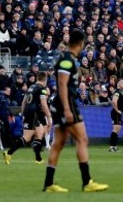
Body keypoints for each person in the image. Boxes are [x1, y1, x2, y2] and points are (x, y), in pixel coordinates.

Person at [43, 30, 108, 193]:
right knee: (82, 139)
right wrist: (67, 108)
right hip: (66, 103)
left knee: (58, 143)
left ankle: (49, 183)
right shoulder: (67, 60)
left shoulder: (67, 59)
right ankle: (87, 182)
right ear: (81, 43)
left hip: (61, 103)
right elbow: (62, 84)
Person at [4, 72, 51, 164]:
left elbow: (24, 102)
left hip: (28, 113)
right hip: (34, 114)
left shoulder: (31, 87)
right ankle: (8, 153)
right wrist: (49, 117)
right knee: (27, 137)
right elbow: (44, 105)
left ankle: (38, 159)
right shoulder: (42, 89)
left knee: (39, 133)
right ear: (45, 80)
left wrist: (23, 113)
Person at [109, 79, 123, 152]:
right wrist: (117, 110)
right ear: (119, 84)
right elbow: (114, 101)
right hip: (116, 112)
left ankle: (114, 146)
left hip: (119, 112)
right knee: (116, 129)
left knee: (118, 129)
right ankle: (111, 147)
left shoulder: (122, 92)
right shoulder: (117, 92)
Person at [0, 86, 14, 151]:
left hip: (6, 117)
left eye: (10, 91)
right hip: (1, 117)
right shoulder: (0, 97)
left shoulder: (8, 99)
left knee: (8, 131)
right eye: (8, 91)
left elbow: (8, 108)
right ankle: (0, 145)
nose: (9, 92)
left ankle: (10, 144)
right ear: (5, 91)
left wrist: (11, 115)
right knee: (0, 131)